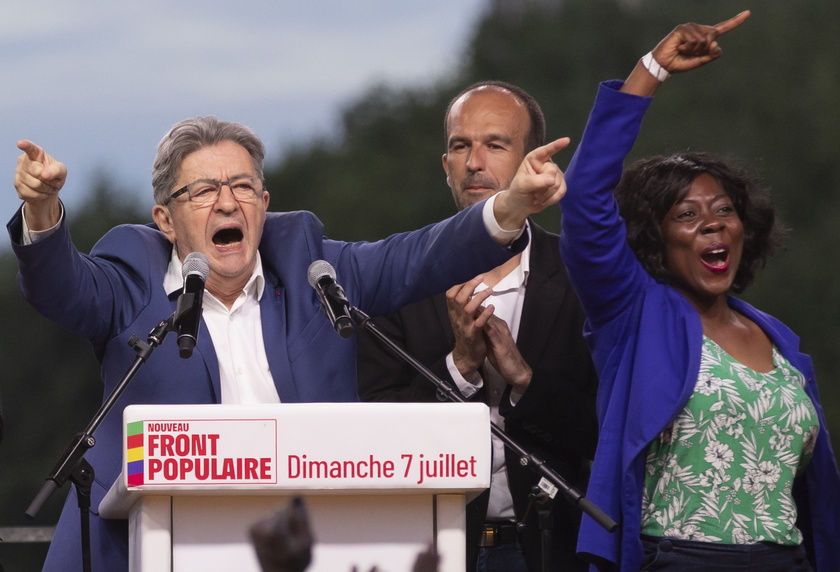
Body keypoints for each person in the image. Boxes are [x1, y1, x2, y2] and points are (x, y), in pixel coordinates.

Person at [8, 116, 570, 572]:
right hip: (143, 546)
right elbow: (63, 289)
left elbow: (418, 256)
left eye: (243, 187)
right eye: (204, 190)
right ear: (167, 221)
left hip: (308, 545)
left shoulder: (313, 271)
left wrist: (511, 205)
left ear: (264, 202)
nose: (228, 203)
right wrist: (42, 210)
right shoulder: (131, 280)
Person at [559, 11, 840, 571]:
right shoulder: (635, 313)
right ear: (653, 238)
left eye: (724, 211)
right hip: (681, 560)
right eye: (687, 215)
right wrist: (651, 69)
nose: (713, 225)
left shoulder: (776, 337)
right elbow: (585, 200)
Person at [357, 81, 598, 571]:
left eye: (495, 144)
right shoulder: (395, 277)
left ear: (531, 160)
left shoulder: (580, 276)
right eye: (459, 146)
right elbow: (370, 433)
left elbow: (605, 427)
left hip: (552, 549)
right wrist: (460, 368)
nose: (473, 162)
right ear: (444, 166)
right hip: (429, 548)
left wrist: (525, 382)